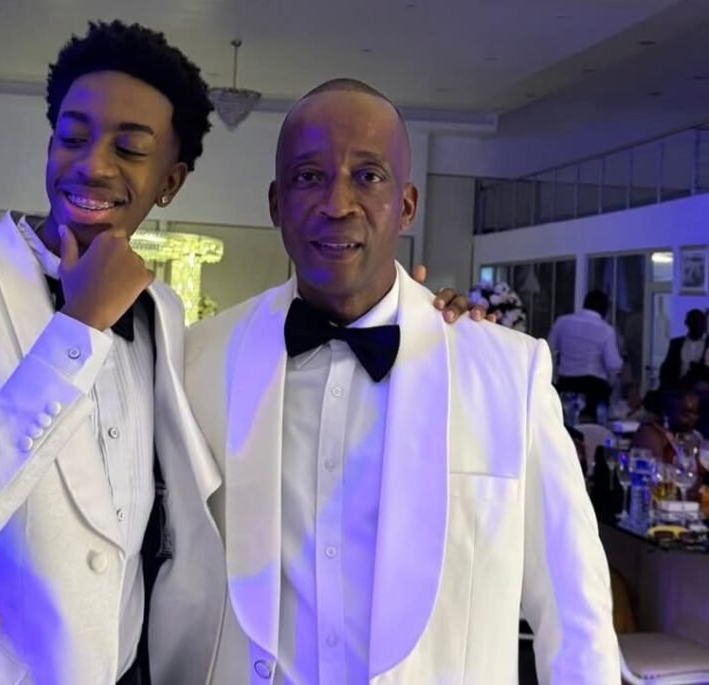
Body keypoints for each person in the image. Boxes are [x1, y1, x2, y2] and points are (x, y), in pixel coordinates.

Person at [0, 24, 481, 685]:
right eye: (73, 137)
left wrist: (427, 313)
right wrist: (80, 326)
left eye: (130, 148)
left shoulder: (165, 314)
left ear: (170, 181)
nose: (94, 165)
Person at [182, 79, 617, 682]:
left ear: (407, 206)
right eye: (309, 177)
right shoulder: (200, 359)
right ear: (277, 203)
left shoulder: (506, 373)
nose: (337, 203)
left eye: (368, 176)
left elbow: (575, 611)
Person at [547, 289, 622, 420]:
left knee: (562, 421)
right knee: (593, 425)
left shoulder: (562, 322)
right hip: (594, 387)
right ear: (605, 309)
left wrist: (553, 376)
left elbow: (549, 349)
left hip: (566, 383)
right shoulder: (606, 330)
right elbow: (613, 364)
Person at [631, 387, 703, 464]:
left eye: (696, 413)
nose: (693, 419)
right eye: (685, 414)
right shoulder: (649, 434)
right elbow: (652, 468)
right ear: (667, 412)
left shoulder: (695, 437)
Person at [660, 308, 708, 388]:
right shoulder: (676, 343)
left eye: (700, 322)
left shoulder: (707, 344)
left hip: (703, 390)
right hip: (677, 388)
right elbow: (667, 367)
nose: (697, 325)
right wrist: (666, 384)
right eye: (693, 322)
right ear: (687, 323)